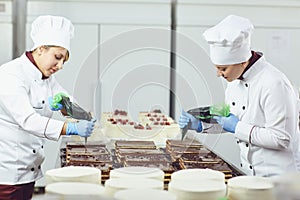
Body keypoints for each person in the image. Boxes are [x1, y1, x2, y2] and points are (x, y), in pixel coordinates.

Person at [179, 15, 300, 177]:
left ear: (243, 61)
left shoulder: (274, 83)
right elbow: (230, 119)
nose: (218, 74)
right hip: (249, 175)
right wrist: (202, 125)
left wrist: (237, 127)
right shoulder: (234, 80)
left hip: (279, 180)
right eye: (217, 68)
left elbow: (282, 138)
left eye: (223, 69)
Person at [0, 15, 96, 199]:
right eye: (57, 57)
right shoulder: (10, 75)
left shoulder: (46, 78)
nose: (60, 66)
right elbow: (28, 120)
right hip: (7, 174)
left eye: (63, 61)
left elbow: (67, 99)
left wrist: (83, 115)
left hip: (29, 171)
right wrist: (71, 128)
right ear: (41, 49)